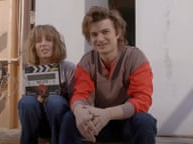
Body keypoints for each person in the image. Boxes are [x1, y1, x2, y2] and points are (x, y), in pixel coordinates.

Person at [59, 6, 157, 144]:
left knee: (144, 121)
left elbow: (142, 99)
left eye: (105, 32)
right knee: (69, 118)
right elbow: (80, 93)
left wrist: (108, 114)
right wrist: (78, 109)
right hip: (98, 123)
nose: (100, 39)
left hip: (126, 122)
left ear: (117, 33)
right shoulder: (87, 61)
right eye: (94, 34)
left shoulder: (135, 58)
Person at [18, 24, 75, 144]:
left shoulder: (68, 68)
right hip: (39, 123)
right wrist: (40, 98)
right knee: (26, 102)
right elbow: (27, 107)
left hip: (62, 123)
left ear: (56, 44)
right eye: (38, 41)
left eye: (49, 40)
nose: (43, 44)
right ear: (34, 47)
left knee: (55, 101)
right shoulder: (29, 71)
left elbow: (76, 99)